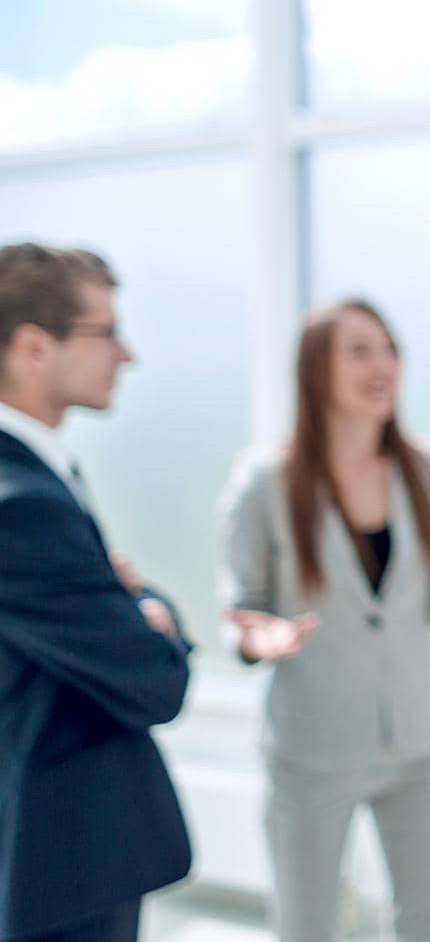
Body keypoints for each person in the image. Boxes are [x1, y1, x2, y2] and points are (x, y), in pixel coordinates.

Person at [216, 298, 430, 942]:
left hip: (419, 739)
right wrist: (259, 635)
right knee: (308, 924)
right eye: (358, 350)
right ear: (315, 369)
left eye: (389, 349)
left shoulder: (429, 469)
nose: (381, 365)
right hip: (313, 747)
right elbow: (238, 608)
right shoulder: (266, 481)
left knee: (426, 921)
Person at [0, 243, 192, 942]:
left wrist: (136, 609)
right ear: (31, 347)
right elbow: (154, 680)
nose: (127, 354)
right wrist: (155, 614)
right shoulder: (20, 503)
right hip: (59, 851)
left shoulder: (38, 475)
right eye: (105, 332)